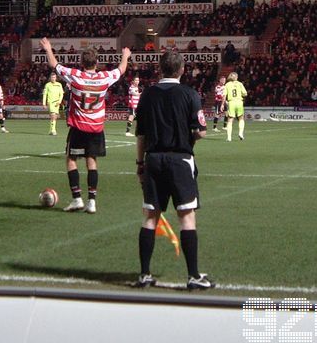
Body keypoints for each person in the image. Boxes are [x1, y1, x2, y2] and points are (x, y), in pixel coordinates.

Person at [133, 49, 213, 290]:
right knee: (186, 217)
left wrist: (139, 164)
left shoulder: (147, 95)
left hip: (153, 160)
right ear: (181, 69)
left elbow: (141, 135)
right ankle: (193, 276)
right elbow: (200, 131)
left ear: (160, 68)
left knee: (150, 217)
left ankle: (144, 274)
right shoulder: (190, 94)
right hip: (180, 160)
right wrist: (187, 138)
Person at [40, 37, 131, 213]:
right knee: (92, 161)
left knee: (71, 160)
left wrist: (49, 48)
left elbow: (54, 64)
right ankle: (92, 202)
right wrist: (125, 55)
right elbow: (121, 70)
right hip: (96, 127)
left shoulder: (75, 76)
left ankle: (77, 199)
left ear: (82, 63)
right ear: (96, 63)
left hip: (78, 127)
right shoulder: (104, 77)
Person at [223, 72, 247, 141]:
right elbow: (245, 93)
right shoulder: (240, 84)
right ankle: (240, 133)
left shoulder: (227, 84)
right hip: (239, 102)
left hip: (231, 102)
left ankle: (229, 137)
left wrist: (222, 104)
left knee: (230, 120)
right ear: (237, 77)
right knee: (241, 118)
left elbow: (224, 95)